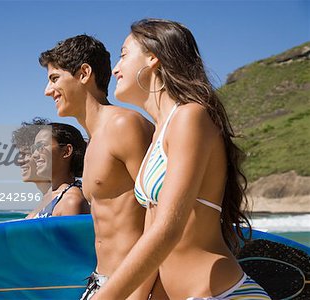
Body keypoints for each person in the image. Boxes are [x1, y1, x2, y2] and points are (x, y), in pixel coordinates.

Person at [91, 19, 271, 299]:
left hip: (223, 294)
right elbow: (152, 240)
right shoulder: (158, 136)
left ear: (153, 57)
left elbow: (168, 230)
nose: (115, 68)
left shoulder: (190, 116)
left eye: (124, 54)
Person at [39, 35, 156, 299]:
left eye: (54, 78)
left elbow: (161, 217)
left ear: (84, 73)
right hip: (101, 283)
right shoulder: (93, 142)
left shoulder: (124, 126)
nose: (47, 90)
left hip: (134, 286)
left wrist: (139, 294)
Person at [28, 122, 90, 218]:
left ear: (66, 151)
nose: (34, 155)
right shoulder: (52, 195)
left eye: (41, 146)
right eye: (34, 148)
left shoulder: (71, 201)